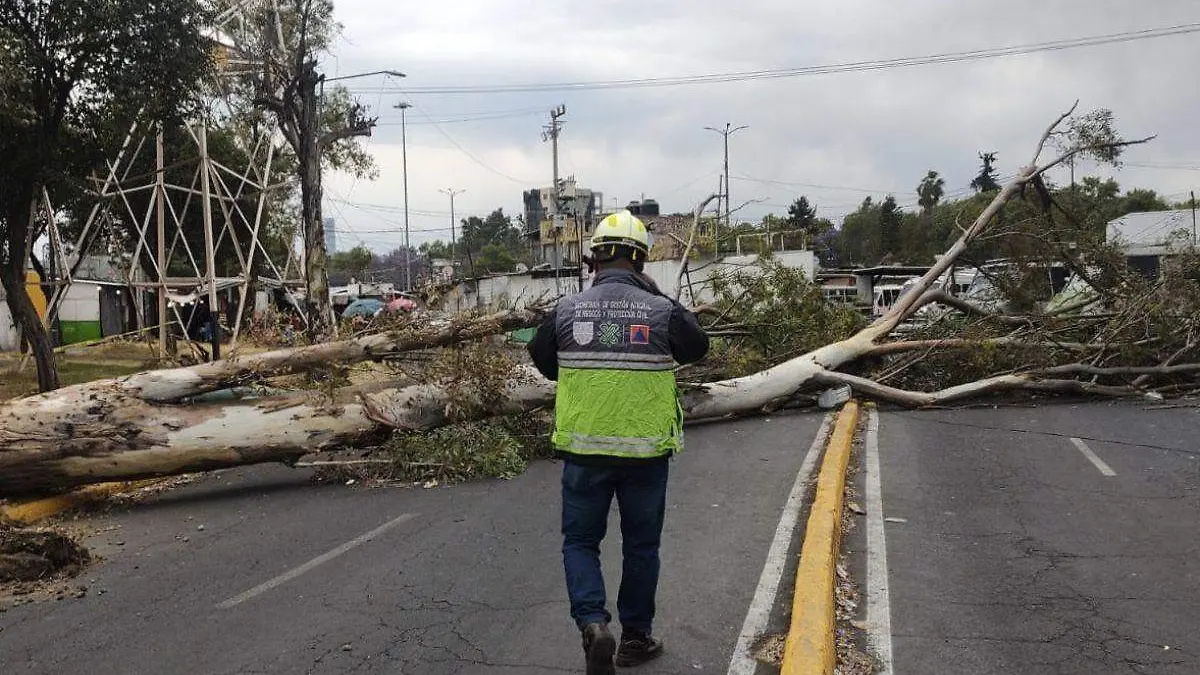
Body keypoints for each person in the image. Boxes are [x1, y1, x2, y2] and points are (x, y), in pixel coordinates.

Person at [528, 210, 709, 675]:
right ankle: (635, 638)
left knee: (581, 543)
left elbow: (543, 359)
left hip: (584, 453)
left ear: (594, 260)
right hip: (646, 455)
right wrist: (658, 297)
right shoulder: (660, 310)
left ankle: (592, 624)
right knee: (641, 547)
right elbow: (697, 346)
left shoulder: (567, 311)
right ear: (641, 261)